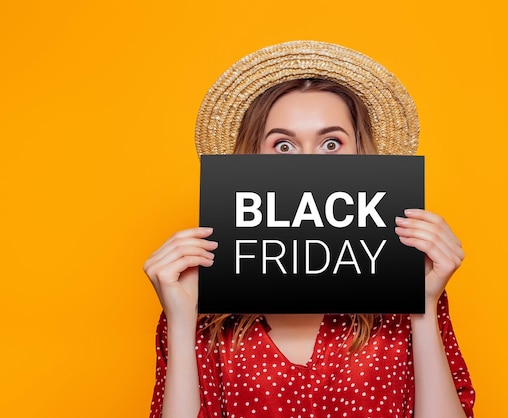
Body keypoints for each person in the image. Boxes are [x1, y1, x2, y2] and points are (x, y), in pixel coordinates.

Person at [144, 41, 475, 418]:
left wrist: (423, 307)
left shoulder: (409, 289)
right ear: (252, 162)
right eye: (283, 146)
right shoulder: (200, 306)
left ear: (360, 158)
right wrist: (181, 320)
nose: (306, 165)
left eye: (331, 143)